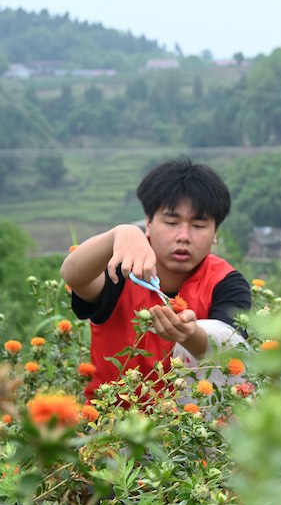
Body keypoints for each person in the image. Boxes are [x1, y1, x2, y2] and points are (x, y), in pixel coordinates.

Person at [61, 157, 252, 403]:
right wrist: (120, 233)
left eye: (198, 225)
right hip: (109, 428)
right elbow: (74, 275)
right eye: (171, 222)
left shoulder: (227, 283)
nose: (183, 236)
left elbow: (230, 347)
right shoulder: (121, 268)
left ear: (215, 233)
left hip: (188, 434)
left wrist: (190, 334)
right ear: (149, 223)